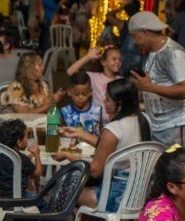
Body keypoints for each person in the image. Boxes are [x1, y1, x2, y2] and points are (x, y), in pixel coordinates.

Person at [55, 78, 151, 210]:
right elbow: (111, 145)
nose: (103, 102)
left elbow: (94, 171)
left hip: (115, 196)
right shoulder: (144, 120)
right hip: (138, 194)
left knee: (61, 189)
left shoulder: (114, 129)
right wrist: (80, 134)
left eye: (107, 99)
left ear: (119, 104)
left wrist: (68, 155)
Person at [128, 11, 185, 146]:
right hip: (159, 125)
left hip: (175, 125)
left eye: (134, 36)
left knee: (176, 166)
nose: (135, 42)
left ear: (144, 32)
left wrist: (149, 87)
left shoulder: (174, 53)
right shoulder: (151, 53)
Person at [66, 45, 124, 124]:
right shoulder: (94, 77)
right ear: (103, 62)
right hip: (96, 124)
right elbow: (70, 71)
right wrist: (88, 57)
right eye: (114, 59)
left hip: (117, 124)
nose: (118, 62)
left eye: (119, 60)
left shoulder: (122, 80)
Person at [0, 119, 41, 198]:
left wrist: (29, 157)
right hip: (19, 200)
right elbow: (38, 173)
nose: (28, 140)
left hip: (0, 199)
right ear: (19, 142)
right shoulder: (22, 159)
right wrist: (37, 155)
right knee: (40, 200)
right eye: (26, 137)